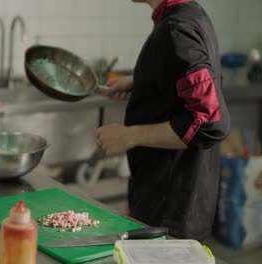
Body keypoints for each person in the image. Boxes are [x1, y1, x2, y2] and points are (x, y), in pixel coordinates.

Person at [97, 0, 231, 242]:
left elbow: (209, 122)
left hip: (170, 208)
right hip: (177, 200)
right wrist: (142, 82)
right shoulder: (189, 12)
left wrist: (130, 136)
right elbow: (183, 81)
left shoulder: (176, 29)